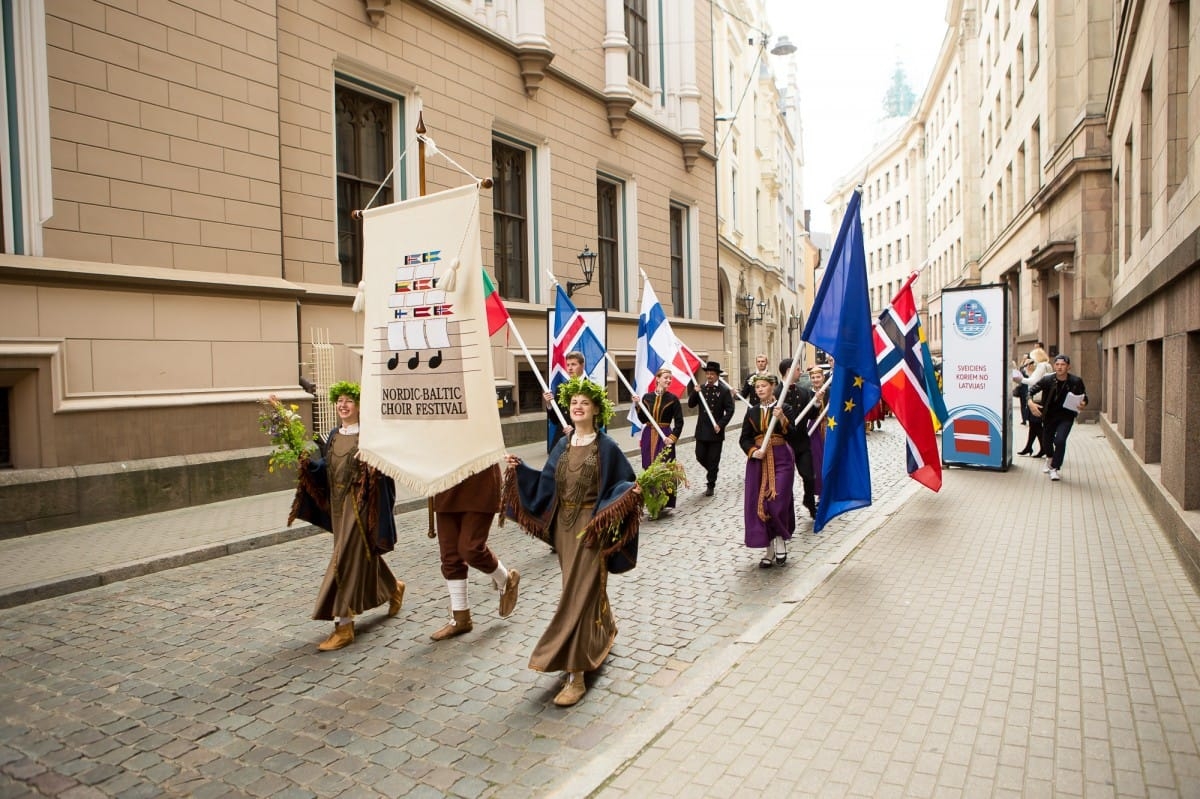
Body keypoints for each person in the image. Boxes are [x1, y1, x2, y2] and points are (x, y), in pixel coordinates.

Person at [502, 377, 643, 707]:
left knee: (577, 595)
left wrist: (628, 495)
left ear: (596, 409)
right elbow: (547, 483)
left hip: (590, 528)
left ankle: (575, 673)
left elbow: (624, 481)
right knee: (580, 588)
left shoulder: (606, 445)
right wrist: (521, 470)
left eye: (585, 403)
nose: (578, 407)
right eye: (574, 403)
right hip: (564, 530)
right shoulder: (562, 446)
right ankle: (604, 628)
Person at [289, 381, 405, 652]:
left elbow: (384, 474)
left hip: (361, 506)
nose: (343, 405)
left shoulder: (371, 437)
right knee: (356, 556)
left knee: (342, 561)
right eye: (339, 400)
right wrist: (308, 465)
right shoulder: (333, 435)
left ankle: (343, 626)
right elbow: (328, 469)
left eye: (349, 401)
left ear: (360, 406)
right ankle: (393, 587)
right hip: (339, 507)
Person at [428, 465, 520, 641]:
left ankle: (506, 579)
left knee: (470, 549)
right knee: (450, 555)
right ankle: (461, 618)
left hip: (479, 480)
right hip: (445, 483)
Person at [739, 374, 796, 568]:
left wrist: (782, 418)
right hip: (759, 462)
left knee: (776, 501)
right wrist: (753, 451)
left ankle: (780, 538)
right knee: (760, 504)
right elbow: (744, 438)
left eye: (763, 386)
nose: (760, 390)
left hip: (782, 459)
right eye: (757, 387)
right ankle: (770, 548)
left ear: (772, 387)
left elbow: (794, 434)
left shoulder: (784, 408)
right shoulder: (752, 412)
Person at [1027, 353, 1088, 481]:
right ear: (1054, 366)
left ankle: (1054, 468)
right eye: (1057, 364)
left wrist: (1083, 404)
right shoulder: (1047, 379)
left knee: (1060, 440)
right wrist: (1030, 403)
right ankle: (1049, 458)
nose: (1060, 367)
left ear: (1068, 367)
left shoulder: (1076, 381)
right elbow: (1031, 391)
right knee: (1047, 442)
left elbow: (1084, 397)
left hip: (1066, 417)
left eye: (1063, 365)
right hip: (1049, 416)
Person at [636, 367, 685, 512]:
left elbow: (679, 421)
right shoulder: (647, 397)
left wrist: (672, 438)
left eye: (670, 378)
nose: (668, 380)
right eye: (666, 377)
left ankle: (663, 502)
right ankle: (652, 502)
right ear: (657, 379)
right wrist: (637, 405)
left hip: (665, 436)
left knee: (664, 469)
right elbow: (643, 419)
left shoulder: (673, 399)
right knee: (649, 467)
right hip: (648, 434)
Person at [687, 361, 735, 497]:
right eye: (707, 373)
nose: (709, 376)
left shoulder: (724, 391)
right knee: (700, 455)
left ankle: (711, 484)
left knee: (714, 459)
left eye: (712, 374)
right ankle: (712, 471)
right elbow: (691, 405)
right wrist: (694, 393)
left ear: (717, 375)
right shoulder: (701, 389)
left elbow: (730, 410)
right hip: (702, 430)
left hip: (716, 430)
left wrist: (721, 424)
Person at [779, 358, 818, 519]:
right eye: (797, 370)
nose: (800, 372)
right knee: (784, 482)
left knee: (809, 476)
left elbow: (812, 415)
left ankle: (809, 501)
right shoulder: (776, 393)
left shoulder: (804, 392)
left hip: (802, 444)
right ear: (789, 371)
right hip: (783, 445)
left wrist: (817, 403)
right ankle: (784, 512)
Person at [544, 350, 586, 452]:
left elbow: (599, 422)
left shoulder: (592, 389)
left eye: (573, 364)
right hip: (561, 444)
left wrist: (575, 431)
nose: (570, 368)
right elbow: (554, 420)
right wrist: (549, 404)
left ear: (582, 365)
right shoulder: (561, 388)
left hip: (583, 444)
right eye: (568, 365)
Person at [1017, 347, 1052, 457]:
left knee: (1036, 425)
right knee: (1033, 425)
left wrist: (1018, 378)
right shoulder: (1048, 365)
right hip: (1043, 399)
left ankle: (1045, 448)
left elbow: (1033, 381)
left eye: (1032, 358)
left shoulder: (1041, 366)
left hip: (1037, 399)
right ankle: (1030, 447)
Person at [807, 366, 828, 500]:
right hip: (814, 427)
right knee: (817, 460)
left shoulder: (831, 391)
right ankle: (820, 492)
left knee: (828, 459)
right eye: (813, 377)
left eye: (818, 377)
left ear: (823, 378)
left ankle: (831, 489)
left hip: (829, 426)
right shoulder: (807, 393)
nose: (815, 380)